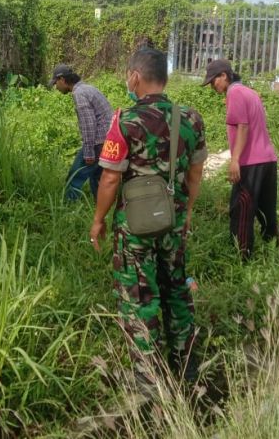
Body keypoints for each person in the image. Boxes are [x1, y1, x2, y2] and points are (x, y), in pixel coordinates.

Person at [90, 48, 207, 387]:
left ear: (135, 77)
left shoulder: (124, 121)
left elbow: (111, 178)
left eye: (129, 76)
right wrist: (186, 211)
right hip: (173, 222)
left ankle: (147, 377)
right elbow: (196, 174)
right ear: (165, 80)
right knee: (176, 290)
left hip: (135, 229)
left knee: (139, 297)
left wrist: (98, 219)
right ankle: (186, 364)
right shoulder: (191, 119)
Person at [203, 58, 278, 259]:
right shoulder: (250, 92)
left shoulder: (234, 92)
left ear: (224, 76)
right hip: (268, 159)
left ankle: (241, 256)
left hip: (251, 162)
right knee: (266, 208)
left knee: (241, 209)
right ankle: (274, 248)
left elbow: (243, 126)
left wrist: (235, 160)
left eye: (213, 81)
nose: (212, 86)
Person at [50, 64, 113, 201]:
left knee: (75, 175)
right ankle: (102, 204)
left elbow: (89, 125)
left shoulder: (79, 94)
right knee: (97, 175)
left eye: (56, 83)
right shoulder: (87, 88)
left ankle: (69, 208)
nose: (56, 87)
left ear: (62, 79)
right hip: (108, 139)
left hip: (98, 142)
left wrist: (89, 152)